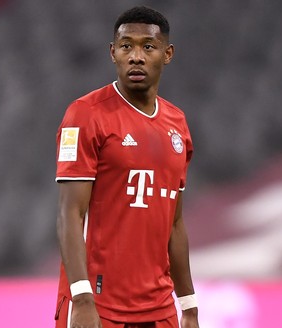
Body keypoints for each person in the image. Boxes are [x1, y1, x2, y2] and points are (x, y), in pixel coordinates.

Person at [54, 6, 199, 328]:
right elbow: (70, 214)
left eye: (147, 47)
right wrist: (81, 297)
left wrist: (188, 304)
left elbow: (174, 223)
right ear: (112, 53)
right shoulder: (85, 115)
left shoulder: (178, 124)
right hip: (98, 304)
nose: (136, 56)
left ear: (167, 54)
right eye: (126, 46)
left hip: (159, 306)